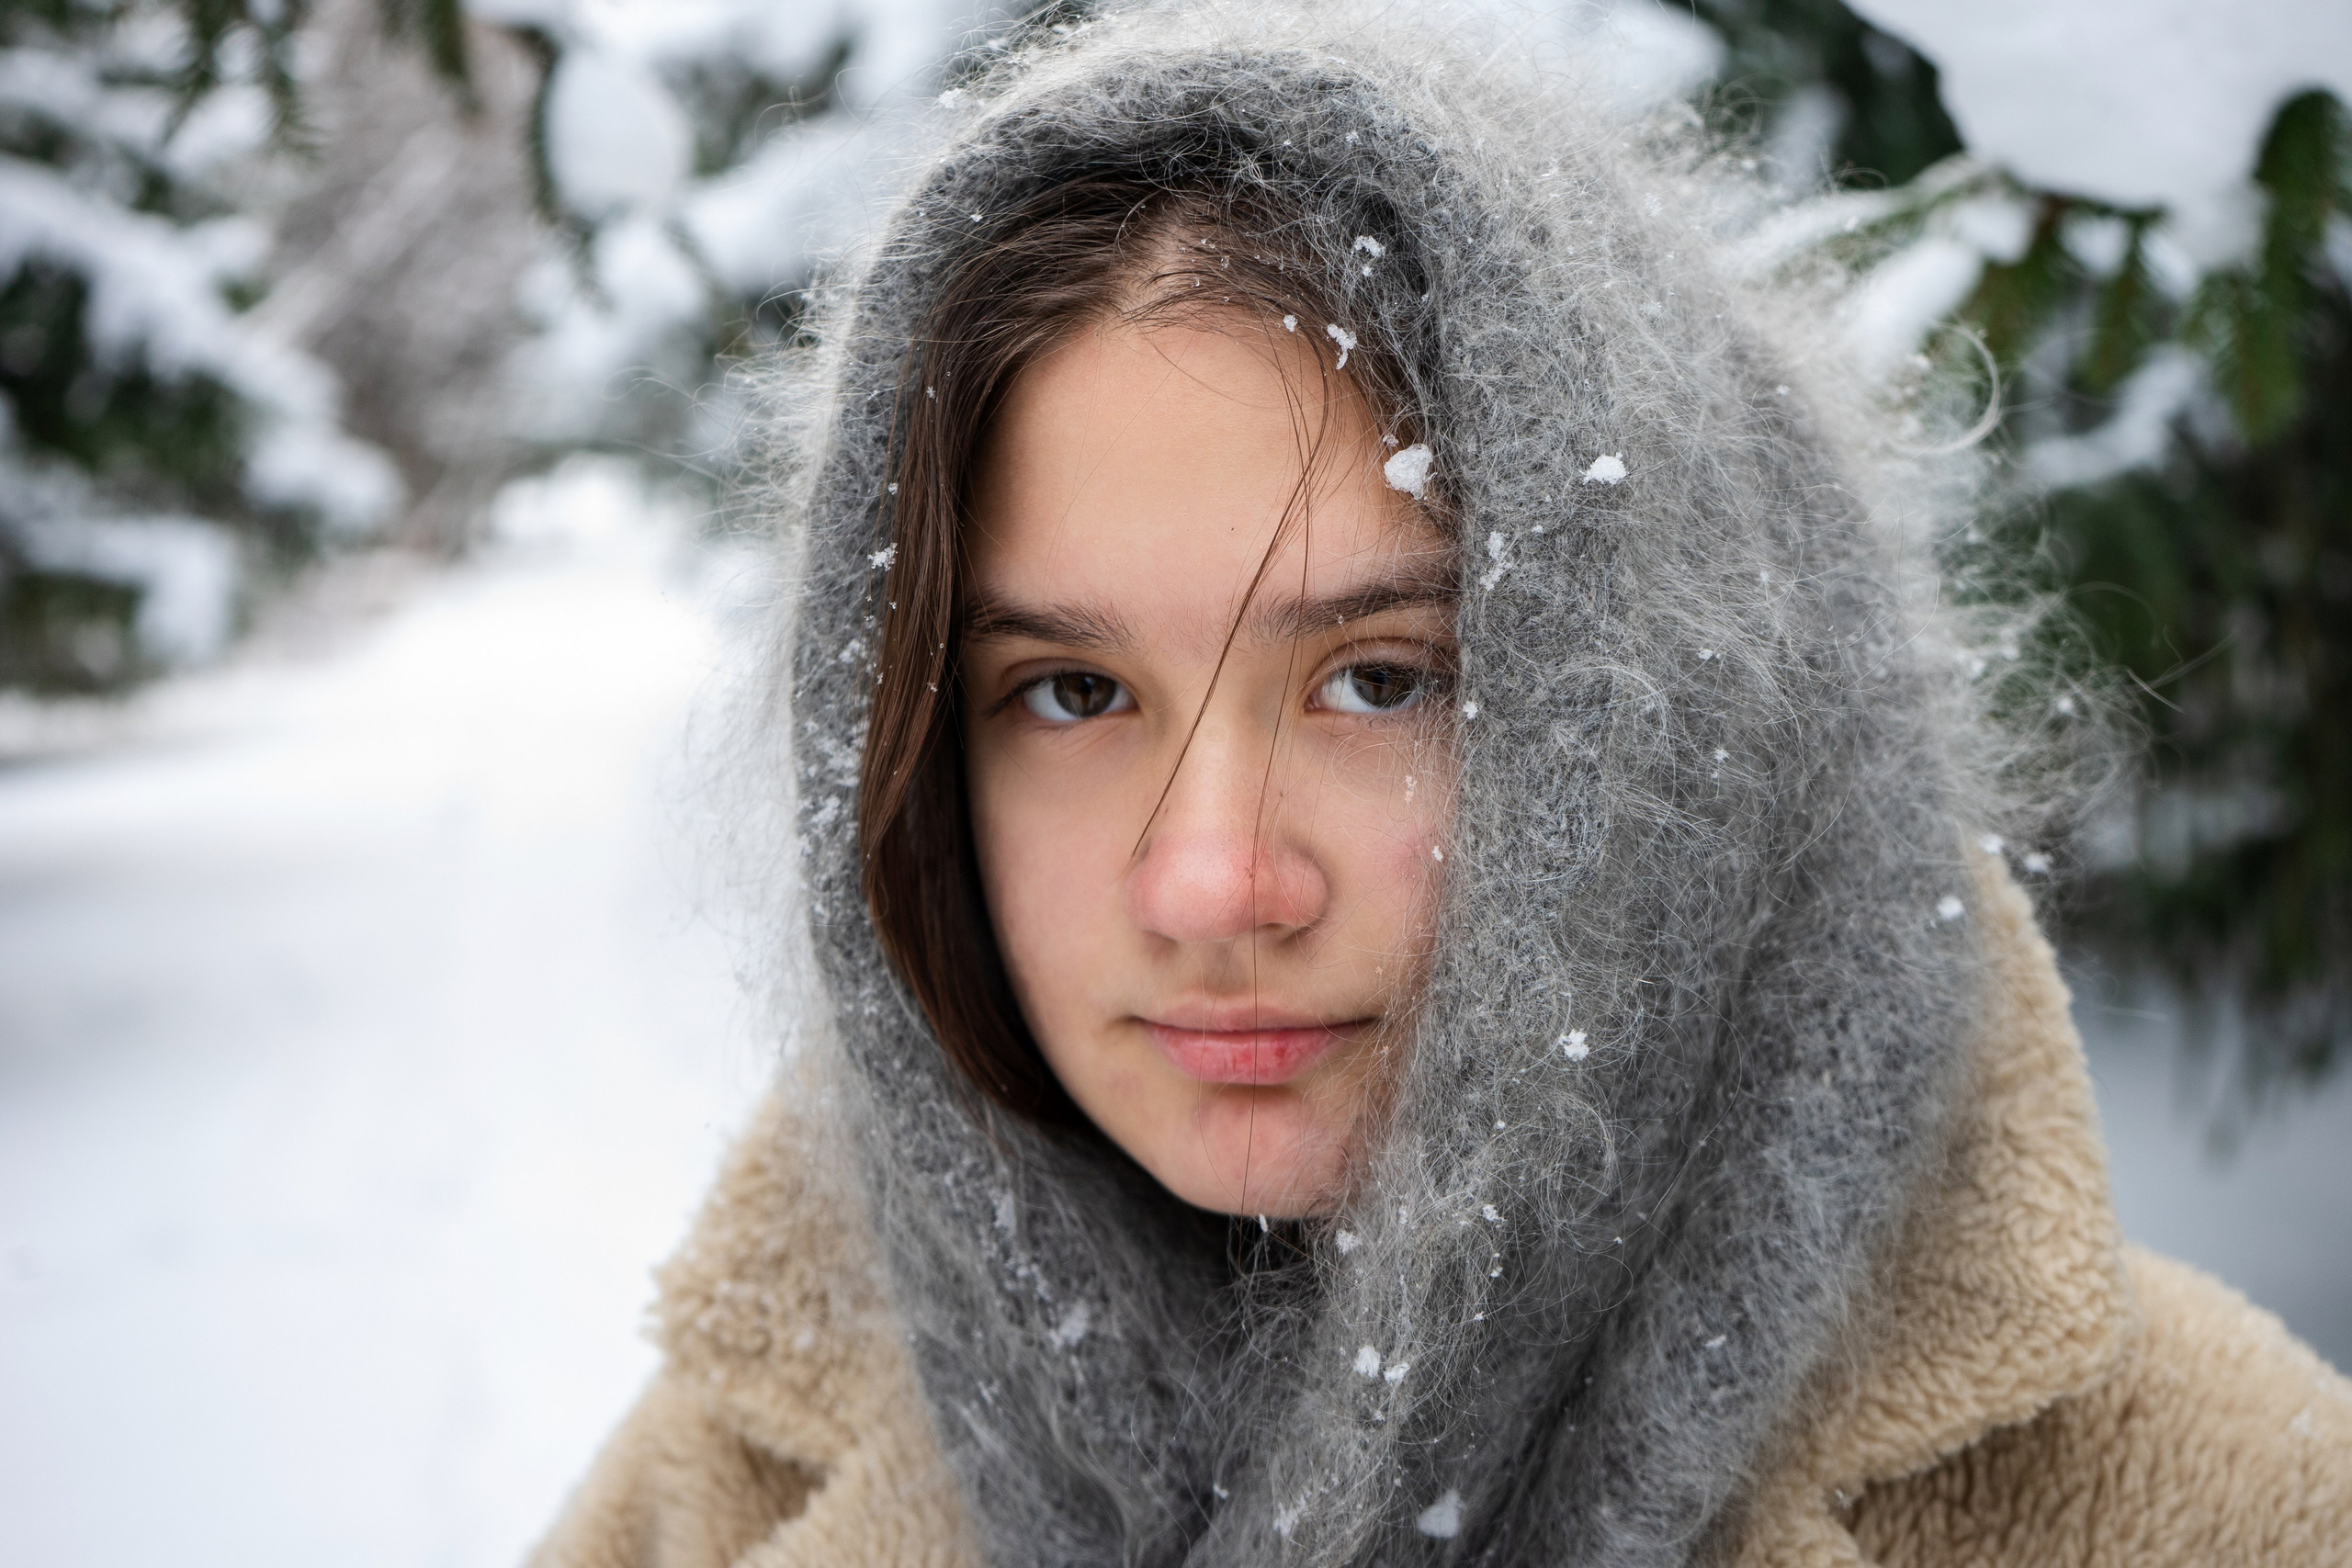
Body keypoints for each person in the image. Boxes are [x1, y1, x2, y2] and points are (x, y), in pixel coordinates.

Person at [526, 6, 2351, 1565]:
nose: (1211, 880)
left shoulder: (2224, 1502)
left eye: (1384, 678)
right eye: (1070, 692)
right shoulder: (720, 1484)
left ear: (1692, 720)